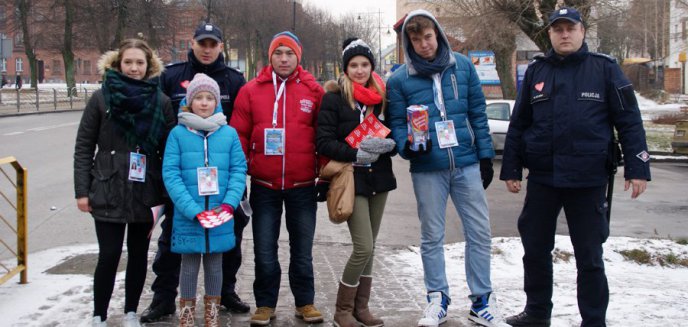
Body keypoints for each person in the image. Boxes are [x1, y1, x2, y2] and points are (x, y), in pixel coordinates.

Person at [500, 7, 651, 327]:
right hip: (544, 178)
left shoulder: (605, 69)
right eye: (558, 30)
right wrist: (511, 169)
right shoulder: (537, 72)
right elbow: (519, 124)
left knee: (590, 257)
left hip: (587, 179)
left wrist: (638, 167)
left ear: (582, 31)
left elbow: (630, 121)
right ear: (550, 34)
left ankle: (594, 320)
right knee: (535, 250)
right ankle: (537, 313)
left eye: (570, 28)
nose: (564, 34)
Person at [386, 10, 501, 327]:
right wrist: (407, 145)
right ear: (408, 42)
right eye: (415, 39)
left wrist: (485, 156)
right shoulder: (399, 80)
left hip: (465, 163)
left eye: (427, 36)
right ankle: (437, 299)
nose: (423, 44)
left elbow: (477, 112)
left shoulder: (462, 66)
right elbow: (396, 123)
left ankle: (481, 302)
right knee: (431, 236)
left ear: (437, 34)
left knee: (479, 232)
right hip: (427, 168)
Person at [142, 22, 249, 323]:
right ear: (192, 43)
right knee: (172, 245)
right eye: (202, 42)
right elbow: (156, 122)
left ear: (220, 47)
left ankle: (225, 293)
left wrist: (234, 192)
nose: (206, 48)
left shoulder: (234, 80)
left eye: (212, 43)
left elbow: (241, 127)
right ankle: (164, 299)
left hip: (225, 184)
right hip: (182, 181)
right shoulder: (172, 76)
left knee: (229, 242)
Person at [73, 38, 175, 327]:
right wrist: (82, 191)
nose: (133, 68)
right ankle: (99, 315)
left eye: (139, 63)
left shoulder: (161, 101)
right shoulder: (102, 98)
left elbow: (169, 151)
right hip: (107, 187)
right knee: (109, 255)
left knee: (139, 255)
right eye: (128, 62)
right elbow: (84, 146)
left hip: (145, 190)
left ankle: (131, 310)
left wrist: (167, 193)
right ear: (118, 64)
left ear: (149, 66)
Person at [229, 31, 325, 326]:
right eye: (278, 53)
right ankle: (265, 304)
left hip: (303, 185)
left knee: (302, 250)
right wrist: (245, 165)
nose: (284, 59)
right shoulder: (251, 90)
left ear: (299, 57)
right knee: (264, 249)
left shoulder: (313, 91)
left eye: (290, 54)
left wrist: (323, 171)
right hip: (264, 186)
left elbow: (324, 134)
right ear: (270, 57)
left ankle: (305, 302)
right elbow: (238, 134)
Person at [317, 38, 397, 327]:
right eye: (354, 65)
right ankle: (342, 310)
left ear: (372, 66)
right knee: (363, 246)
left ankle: (361, 308)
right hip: (351, 178)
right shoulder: (334, 98)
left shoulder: (382, 96)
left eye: (365, 64)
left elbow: (394, 132)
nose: (360, 70)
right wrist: (356, 152)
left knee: (371, 246)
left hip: (380, 177)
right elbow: (323, 141)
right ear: (345, 68)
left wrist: (391, 144)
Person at [162, 73, 247, 327]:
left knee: (215, 264)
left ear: (216, 102)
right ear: (190, 101)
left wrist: (228, 205)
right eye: (198, 97)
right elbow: (171, 173)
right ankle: (187, 315)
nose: (203, 102)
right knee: (188, 265)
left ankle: (212, 313)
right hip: (190, 214)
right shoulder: (177, 134)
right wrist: (192, 209)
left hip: (220, 213)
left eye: (209, 97)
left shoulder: (229, 133)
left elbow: (238, 170)